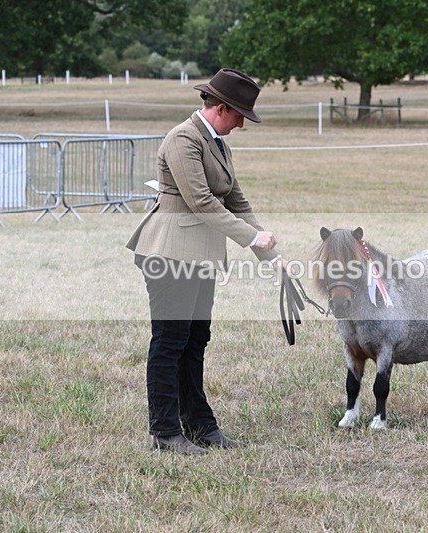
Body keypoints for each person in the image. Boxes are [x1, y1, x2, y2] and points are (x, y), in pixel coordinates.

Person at [126, 68, 281, 455]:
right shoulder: (183, 139)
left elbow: (236, 200)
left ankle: (199, 425)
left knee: (195, 342)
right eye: (241, 115)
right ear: (223, 109)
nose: (242, 124)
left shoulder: (217, 142)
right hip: (171, 254)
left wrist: (270, 254)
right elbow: (202, 202)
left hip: (201, 256)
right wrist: (251, 237)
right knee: (170, 341)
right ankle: (164, 430)